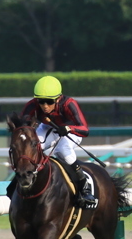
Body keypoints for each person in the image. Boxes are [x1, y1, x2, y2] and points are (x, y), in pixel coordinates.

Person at [20, 75, 97, 208]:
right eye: (41, 101)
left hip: (72, 130)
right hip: (47, 127)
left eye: (49, 102)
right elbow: (22, 124)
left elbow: (85, 129)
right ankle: (29, 181)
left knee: (63, 151)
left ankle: (84, 186)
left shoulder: (69, 104)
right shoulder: (32, 105)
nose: (45, 106)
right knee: (33, 147)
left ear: (58, 98)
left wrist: (68, 128)